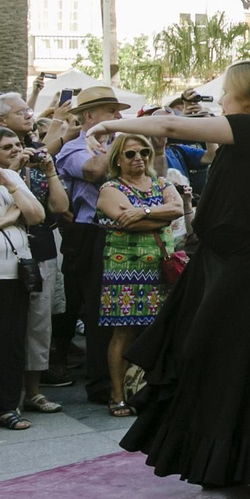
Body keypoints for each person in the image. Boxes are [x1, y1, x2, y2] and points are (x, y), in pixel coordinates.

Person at [94, 61, 250, 485]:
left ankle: (247, 454)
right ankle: (245, 453)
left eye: (226, 92)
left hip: (239, 263)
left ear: (247, 97)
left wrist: (109, 126)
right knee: (240, 355)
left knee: (232, 355)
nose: (220, 100)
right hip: (225, 259)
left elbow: (173, 127)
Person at [93, 134, 184, 419]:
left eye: (143, 152)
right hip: (125, 270)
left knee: (166, 328)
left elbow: (178, 209)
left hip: (162, 268)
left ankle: (158, 392)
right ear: (117, 159)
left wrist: (143, 211)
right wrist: (160, 215)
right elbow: (126, 222)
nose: (139, 158)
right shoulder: (110, 187)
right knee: (124, 331)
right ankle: (118, 396)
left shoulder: (162, 183)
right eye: (130, 154)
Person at [53, 86, 126, 405]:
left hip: (114, 230)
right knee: (92, 306)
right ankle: (97, 380)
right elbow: (95, 171)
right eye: (111, 112)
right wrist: (119, 150)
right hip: (87, 233)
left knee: (111, 306)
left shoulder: (112, 143)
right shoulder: (73, 147)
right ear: (89, 116)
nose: (118, 117)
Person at [0, 127, 69, 410]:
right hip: (4, 259)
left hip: (41, 252)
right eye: (7, 148)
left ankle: (34, 392)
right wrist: (14, 172)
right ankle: (7, 398)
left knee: (40, 325)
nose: (16, 150)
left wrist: (50, 171)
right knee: (6, 330)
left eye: (18, 145)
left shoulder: (39, 171)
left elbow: (60, 207)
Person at [0, 137, 47, 431]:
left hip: (11, 275)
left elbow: (36, 216)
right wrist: (9, 217)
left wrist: (10, 186)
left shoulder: (8, 176)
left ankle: (8, 409)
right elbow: (16, 217)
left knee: (10, 346)